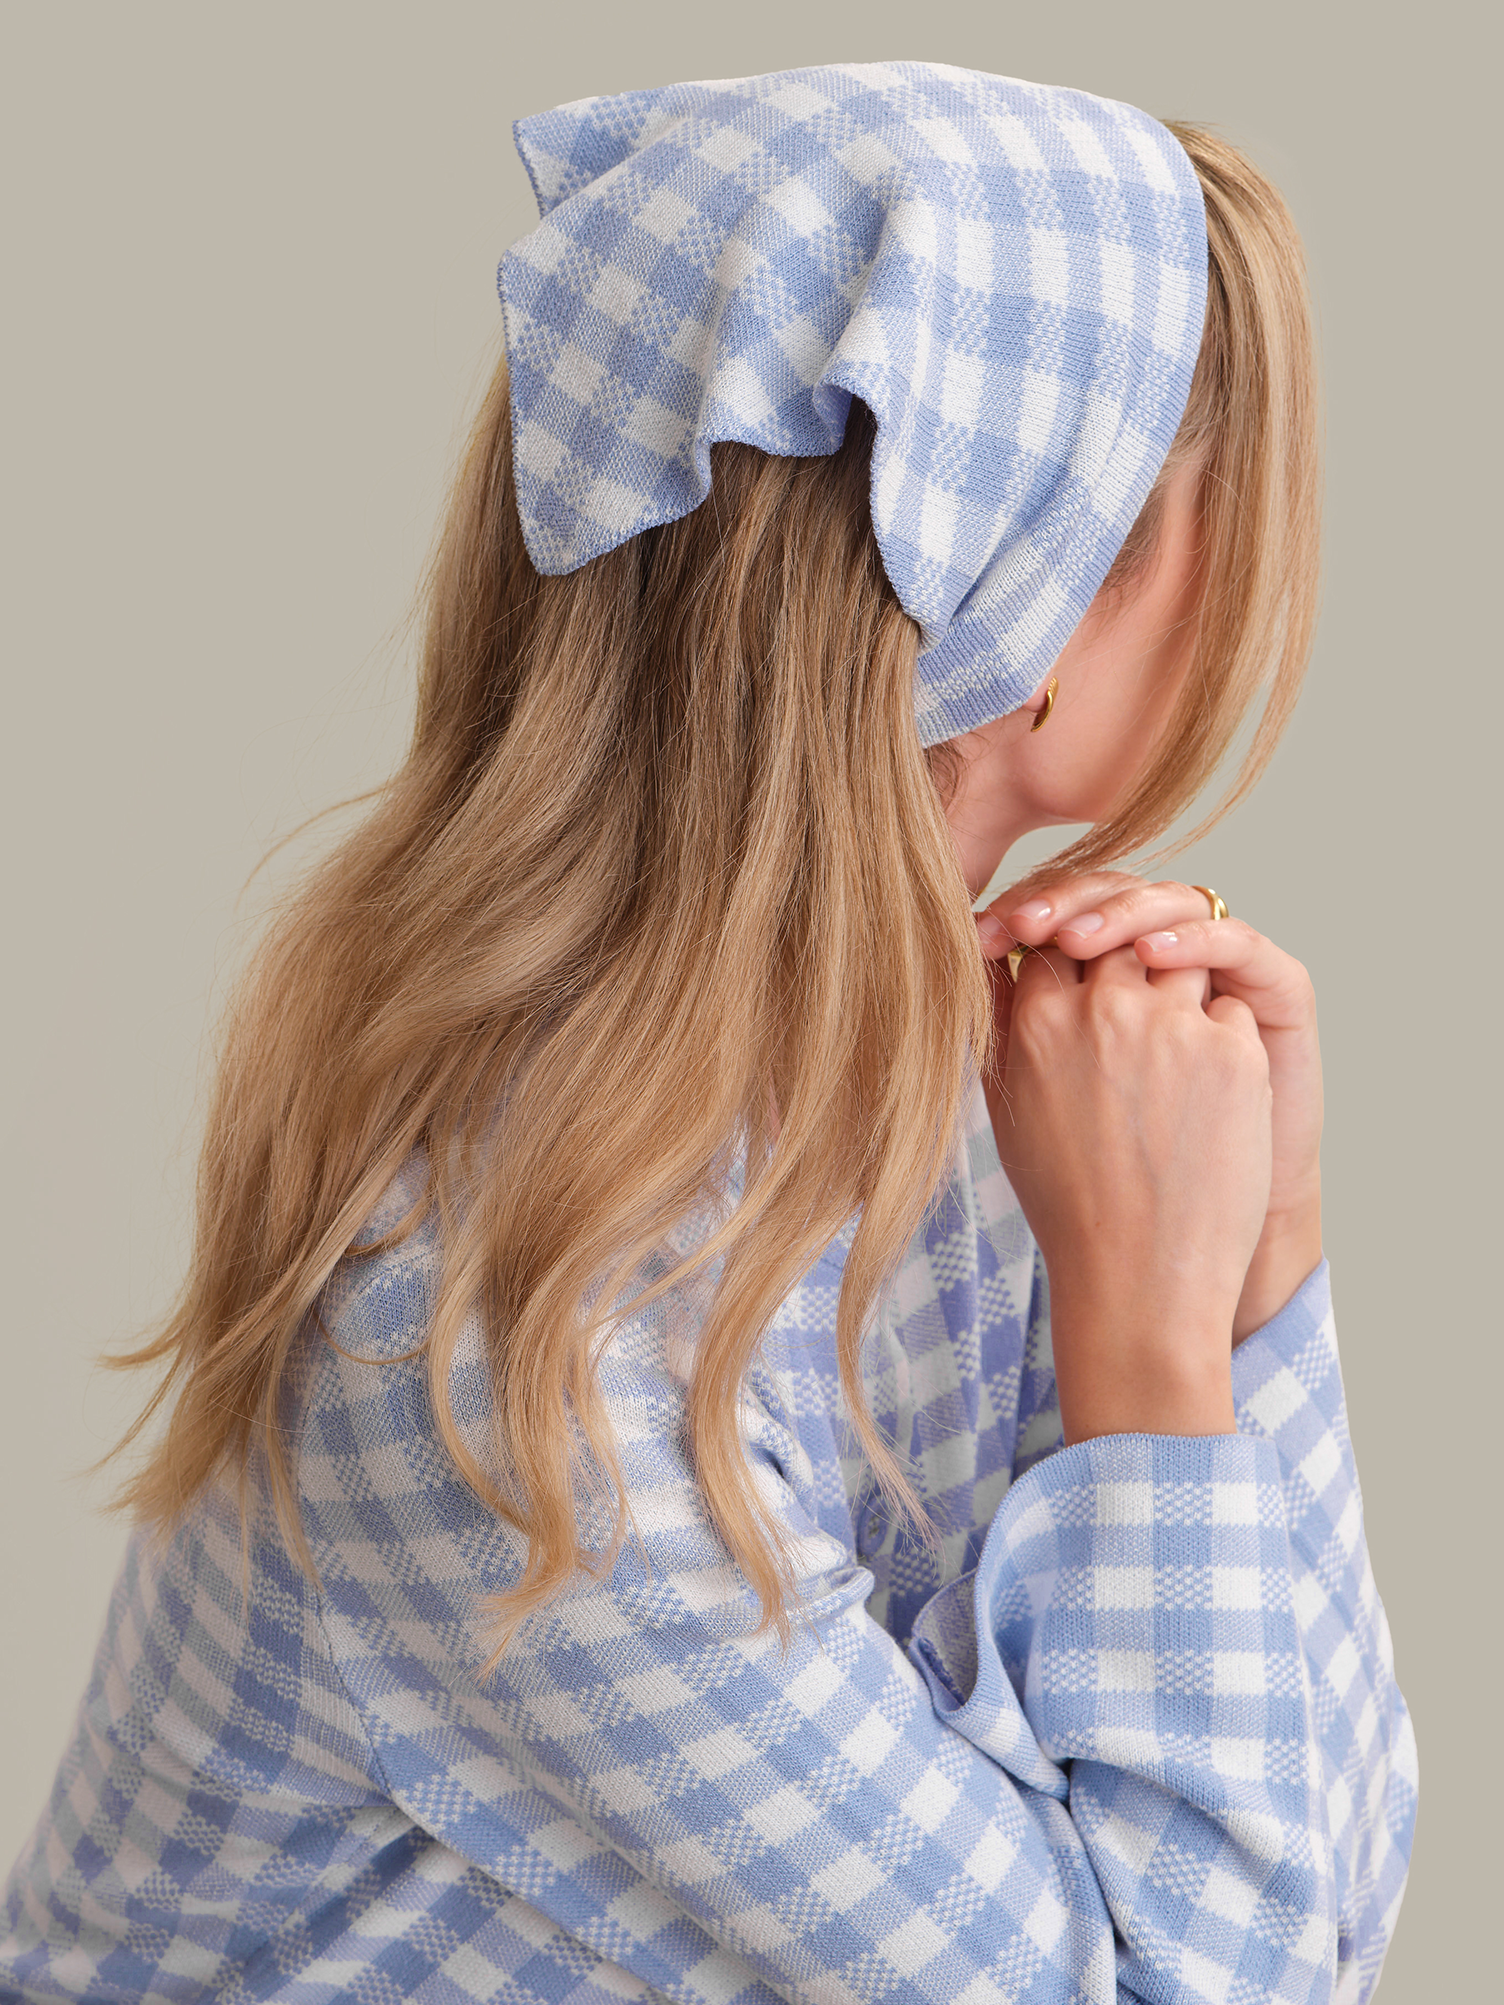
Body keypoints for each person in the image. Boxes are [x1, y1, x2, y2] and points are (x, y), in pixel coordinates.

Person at [0, 61, 1417, 2005]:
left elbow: (1316, 1901)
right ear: (1044, 593)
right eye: (1210, 500)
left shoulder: (1007, 1100)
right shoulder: (514, 1323)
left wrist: (1253, 1264)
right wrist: (1158, 1354)